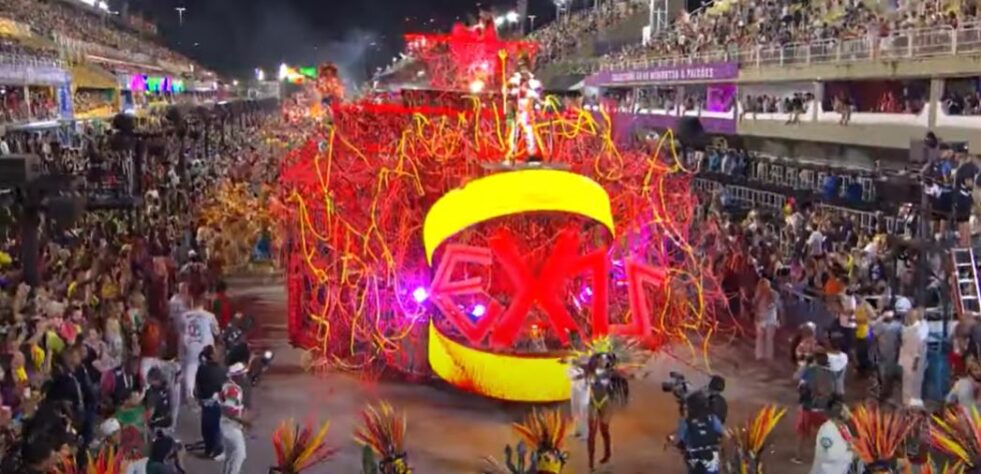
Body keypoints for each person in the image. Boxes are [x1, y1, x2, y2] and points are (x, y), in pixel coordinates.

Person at [179, 277, 220, 403]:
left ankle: (190, 394)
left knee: (191, 367)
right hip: (205, 346)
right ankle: (211, 393)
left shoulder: (184, 316)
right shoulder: (209, 316)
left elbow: (181, 332)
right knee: (208, 369)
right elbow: (217, 332)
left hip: (191, 345)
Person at [793, 352, 836, 465]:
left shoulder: (810, 371)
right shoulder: (831, 374)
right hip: (823, 409)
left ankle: (799, 457)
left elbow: (801, 386)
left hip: (808, 408)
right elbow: (834, 391)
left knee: (802, 433)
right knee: (822, 433)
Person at [674, 392, 724, 474]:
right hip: (712, 456)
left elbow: (679, 439)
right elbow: (723, 433)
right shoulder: (712, 418)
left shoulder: (686, 421)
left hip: (694, 457)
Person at [195, 345, 225, 460]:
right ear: (212, 355)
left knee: (206, 426)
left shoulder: (202, 368)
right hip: (214, 401)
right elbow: (221, 386)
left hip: (204, 401)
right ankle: (216, 450)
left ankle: (209, 449)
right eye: (216, 352)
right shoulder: (218, 370)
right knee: (214, 427)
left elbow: (197, 385)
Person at [219, 362, 250, 474]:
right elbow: (229, 411)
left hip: (225, 424)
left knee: (231, 455)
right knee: (239, 455)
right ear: (237, 376)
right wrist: (244, 422)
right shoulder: (233, 390)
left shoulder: (228, 386)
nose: (245, 377)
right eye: (243, 374)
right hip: (230, 426)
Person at [809, 398, 855, 474]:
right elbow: (829, 456)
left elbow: (849, 442)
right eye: (846, 410)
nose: (849, 412)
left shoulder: (843, 427)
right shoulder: (826, 432)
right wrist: (851, 454)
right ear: (840, 415)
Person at [899, 308, 928, 406]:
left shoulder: (913, 332)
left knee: (910, 382)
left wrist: (915, 363)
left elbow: (916, 351)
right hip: (913, 360)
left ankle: (909, 402)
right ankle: (913, 399)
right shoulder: (922, 328)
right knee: (916, 381)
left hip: (912, 361)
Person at [753, 279, 781, 361]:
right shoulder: (758, 294)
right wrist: (757, 317)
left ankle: (768, 356)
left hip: (770, 319)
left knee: (769, 338)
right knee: (760, 337)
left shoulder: (774, 295)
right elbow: (755, 306)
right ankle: (759, 356)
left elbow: (776, 306)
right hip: (760, 318)